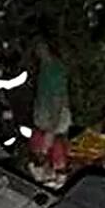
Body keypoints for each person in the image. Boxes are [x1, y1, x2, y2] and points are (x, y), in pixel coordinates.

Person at [30, 42, 71, 183]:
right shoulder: (46, 68)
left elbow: (58, 101)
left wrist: (51, 129)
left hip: (51, 121)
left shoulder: (55, 71)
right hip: (48, 120)